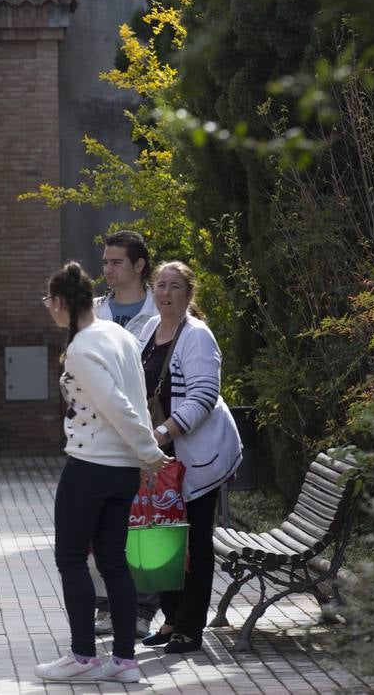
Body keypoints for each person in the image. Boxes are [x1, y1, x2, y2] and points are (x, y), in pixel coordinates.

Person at [35, 262, 169, 684]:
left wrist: (150, 452)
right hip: (123, 469)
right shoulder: (119, 334)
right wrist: (142, 454)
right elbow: (137, 397)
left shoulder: (82, 346)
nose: (49, 310)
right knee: (114, 562)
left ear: (60, 302)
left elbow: (116, 404)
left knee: (71, 558)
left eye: (48, 303)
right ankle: (125, 661)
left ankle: (83, 655)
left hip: (92, 465)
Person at [136, 261, 242, 656]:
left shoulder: (197, 336)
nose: (166, 293)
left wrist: (160, 435)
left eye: (175, 286)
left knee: (194, 543)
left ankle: (190, 628)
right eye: (160, 285)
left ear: (188, 293)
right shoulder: (148, 329)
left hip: (195, 458)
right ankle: (171, 618)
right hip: (160, 458)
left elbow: (203, 397)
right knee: (163, 536)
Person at [90, 230, 160, 638]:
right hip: (100, 438)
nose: (109, 270)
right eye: (105, 263)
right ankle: (105, 607)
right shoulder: (95, 312)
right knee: (100, 526)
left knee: (146, 522)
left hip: (145, 435)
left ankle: (142, 611)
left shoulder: (159, 311)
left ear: (139, 265)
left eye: (117, 262)